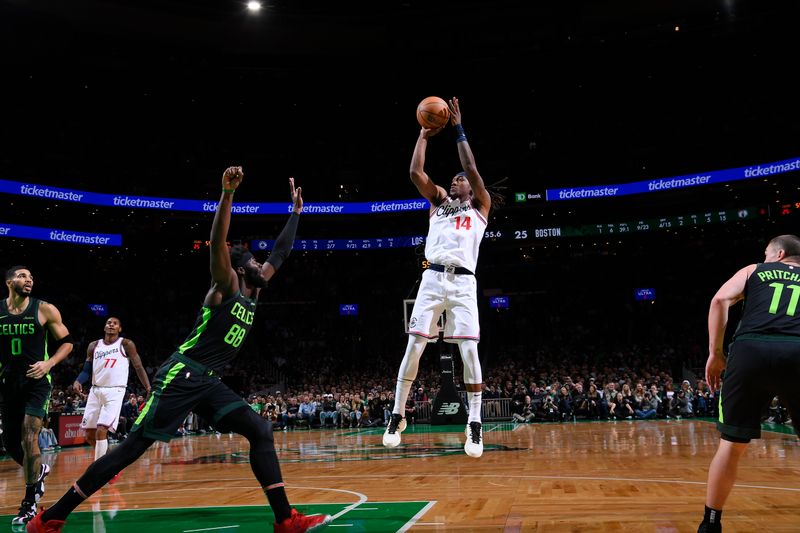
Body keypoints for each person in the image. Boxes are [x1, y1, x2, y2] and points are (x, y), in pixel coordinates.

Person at [28, 167, 331, 533]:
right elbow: (218, 240)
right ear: (239, 267)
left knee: (261, 431)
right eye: (253, 260)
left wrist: (296, 213)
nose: (261, 263)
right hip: (182, 374)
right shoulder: (226, 284)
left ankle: (286, 520)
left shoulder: (256, 289)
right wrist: (226, 194)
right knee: (131, 449)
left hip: (208, 381)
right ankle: (51, 518)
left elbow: (281, 253)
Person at [383, 97, 500, 458]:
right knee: (414, 345)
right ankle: (398, 414)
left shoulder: (480, 206)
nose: (458, 178)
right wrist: (423, 135)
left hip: (464, 282)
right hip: (433, 278)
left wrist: (458, 129)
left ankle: (475, 423)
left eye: (461, 179)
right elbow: (416, 174)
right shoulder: (438, 202)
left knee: (468, 349)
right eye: (455, 178)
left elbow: (471, 166)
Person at [697, 234, 800, 533]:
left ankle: (710, 524)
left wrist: (715, 354)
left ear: (779, 254)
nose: (764, 256)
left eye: (766, 253)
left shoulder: (754, 270)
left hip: (750, 350)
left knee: (730, 446)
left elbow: (720, 299)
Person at [1, 266, 74, 524]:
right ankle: (39, 471)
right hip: (8, 383)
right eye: (22, 276)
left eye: (31, 276)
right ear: (9, 282)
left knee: (29, 434)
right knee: (10, 443)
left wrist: (49, 363)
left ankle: (29, 503)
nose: (29, 280)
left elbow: (67, 342)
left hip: (37, 381)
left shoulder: (44, 309)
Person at [73, 316, 151, 481]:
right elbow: (87, 370)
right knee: (89, 436)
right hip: (95, 390)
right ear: (104, 326)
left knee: (102, 430)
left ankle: (97, 473)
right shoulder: (93, 346)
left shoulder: (126, 344)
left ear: (119, 329)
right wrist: (78, 380)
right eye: (108, 322)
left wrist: (148, 387)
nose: (111, 325)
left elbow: (138, 366)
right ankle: (111, 465)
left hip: (115, 391)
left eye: (115, 323)